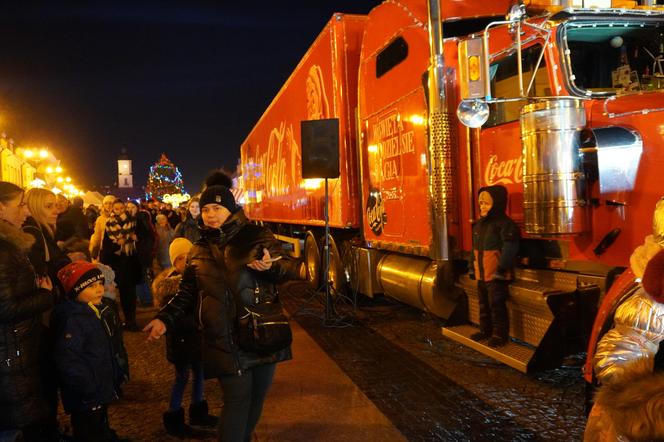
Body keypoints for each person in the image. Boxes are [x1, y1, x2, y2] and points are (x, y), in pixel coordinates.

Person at [144, 177, 300, 442]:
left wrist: (271, 267)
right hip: (223, 339)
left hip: (261, 333)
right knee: (237, 400)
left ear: (231, 209)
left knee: (256, 399)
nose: (210, 214)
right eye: (206, 209)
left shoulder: (257, 236)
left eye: (217, 208)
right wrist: (164, 319)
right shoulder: (197, 251)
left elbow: (288, 267)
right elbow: (185, 295)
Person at [0, 181, 56, 441]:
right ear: (1, 209)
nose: (26, 211)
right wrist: (45, 295)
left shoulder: (11, 244)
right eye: (20, 205)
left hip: (18, 347)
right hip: (11, 352)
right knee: (23, 423)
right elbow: (6, 307)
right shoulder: (3, 251)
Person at [52, 261, 129, 442]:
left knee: (99, 426)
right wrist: (87, 386)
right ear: (75, 290)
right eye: (92, 286)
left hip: (97, 390)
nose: (99, 290)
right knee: (89, 432)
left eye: (100, 284)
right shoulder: (73, 318)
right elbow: (68, 358)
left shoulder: (91, 311)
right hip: (86, 395)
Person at [153, 237, 217, 438]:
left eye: (190, 257)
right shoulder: (170, 288)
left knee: (199, 375)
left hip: (196, 341)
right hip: (181, 342)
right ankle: (174, 416)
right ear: (174, 262)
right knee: (181, 378)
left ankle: (198, 411)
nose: (187, 262)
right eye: (182, 259)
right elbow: (175, 318)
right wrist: (199, 320)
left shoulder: (197, 281)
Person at [469, 185, 519, 348]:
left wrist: (502, 269)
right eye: (481, 203)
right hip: (482, 274)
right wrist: (472, 266)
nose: (482, 206)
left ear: (497, 203)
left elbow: (510, 247)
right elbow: (474, 248)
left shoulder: (505, 224)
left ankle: (499, 335)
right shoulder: (480, 225)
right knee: (483, 304)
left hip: (497, 275)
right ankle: (485, 330)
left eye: (487, 203)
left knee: (496, 305)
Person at [23, 188, 72, 301]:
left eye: (56, 206)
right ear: (34, 208)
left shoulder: (44, 231)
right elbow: (38, 272)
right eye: (49, 206)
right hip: (43, 299)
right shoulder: (32, 233)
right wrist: (68, 261)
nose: (56, 211)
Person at [100, 200, 141, 331]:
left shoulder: (133, 221)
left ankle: (131, 320)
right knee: (115, 293)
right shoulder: (109, 223)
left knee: (130, 293)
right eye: (116, 208)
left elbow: (143, 237)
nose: (118, 210)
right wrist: (118, 243)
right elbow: (106, 246)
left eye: (121, 208)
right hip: (117, 263)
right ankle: (115, 321)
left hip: (130, 261)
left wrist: (135, 238)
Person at [90, 195, 116, 260]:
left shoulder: (119, 217)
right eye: (106, 203)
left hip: (117, 249)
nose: (108, 205)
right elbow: (97, 237)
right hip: (104, 249)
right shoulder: (100, 219)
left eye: (110, 203)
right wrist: (94, 251)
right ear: (103, 205)